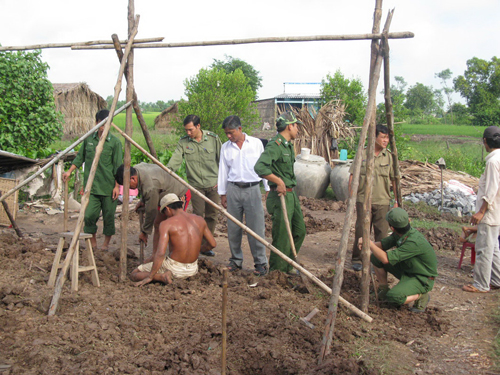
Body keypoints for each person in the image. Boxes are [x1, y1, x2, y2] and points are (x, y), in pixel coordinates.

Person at [62, 109, 123, 251]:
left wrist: (116, 186)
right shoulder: (89, 140)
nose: (104, 127)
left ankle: (105, 245)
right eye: (102, 124)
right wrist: (69, 171)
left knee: (109, 217)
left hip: (108, 188)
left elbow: (118, 167)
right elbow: (79, 158)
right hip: (92, 188)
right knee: (89, 215)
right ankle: (93, 243)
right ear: (96, 123)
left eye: (107, 124)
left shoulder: (115, 143)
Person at [254, 112, 306, 274]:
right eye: (296, 125)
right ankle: (277, 273)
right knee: (282, 236)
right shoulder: (274, 145)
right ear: (289, 126)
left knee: (299, 231)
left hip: (291, 195)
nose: (297, 129)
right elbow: (260, 167)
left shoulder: (288, 145)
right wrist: (278, 181)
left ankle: (289, 264)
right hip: (280, 196)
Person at [218, 115, 270, 276]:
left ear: (240, 129)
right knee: (233, 228)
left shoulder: (256, 144)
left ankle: (261, 263)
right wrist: (223, 193)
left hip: (253, 189)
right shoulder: (226, 147)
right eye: (226, 133)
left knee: (256, 228)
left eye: (231, 132)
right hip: (233, 189)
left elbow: (264, 166)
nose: (229, 136)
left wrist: (267, 188)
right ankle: (235, 261)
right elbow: (223, 171)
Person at [360, 207, 438, 313]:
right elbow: (383, 244)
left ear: (392, 227)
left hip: (422, 278)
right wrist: (367, 243)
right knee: (375, 258)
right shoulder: (400, 234)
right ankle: (383, 288)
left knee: (394, 297)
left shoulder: (413, 242)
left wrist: (370, 245)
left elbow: (386, 259)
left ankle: (421, 295)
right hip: (408, 269)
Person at [131, 194, 216, 286]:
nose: (165, 216)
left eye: (164, 213)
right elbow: (212, 244)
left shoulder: (166, 224)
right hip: (193, 269)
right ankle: (163, 275)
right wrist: (198, 249)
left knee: (135, 273)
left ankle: (161, 277)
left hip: (174, 268)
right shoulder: (199, 220)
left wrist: (150, 276)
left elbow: (160, 253)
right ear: (181, 205)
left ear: (167, 209)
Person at [167, 115, 222, 256]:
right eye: (186, 130)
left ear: (198, 126)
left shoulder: (213, 139)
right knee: (198, 215)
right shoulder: (184, 142)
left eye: (190, 130)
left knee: (212, 215)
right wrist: (167, 171)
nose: (188, 133)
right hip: (196, 186)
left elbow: (222, 161)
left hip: (213, 184)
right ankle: (196, 243)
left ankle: (206, 245)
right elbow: (176, 159)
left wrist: (221, 182)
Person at [349, 124, 398, 271]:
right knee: (361, 230)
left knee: (382, 234)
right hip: (363, 200)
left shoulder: (389, 157)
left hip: (382, 201)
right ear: (374, 137)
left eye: (387, 138)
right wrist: (351, 198)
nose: (386, 140)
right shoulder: (362, 154)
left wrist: (396, 201)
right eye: (383, 137)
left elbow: (395, 180)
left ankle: (378, 261)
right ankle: (358, 259)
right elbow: (353, 177)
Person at [115, 163, 190, 255]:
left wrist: (145, 232)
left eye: (128, 185)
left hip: (179, 193)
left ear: (133, 178)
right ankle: (155, 255)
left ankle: (176, 256)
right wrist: (143, 200)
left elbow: (151, 211)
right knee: (158, 224)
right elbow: (146, 190)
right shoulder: (137, 169)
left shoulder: (150, 187)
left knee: (173, 226)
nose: (128, 188)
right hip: (163, 194)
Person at [463, 126, 500, 293]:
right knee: (493, 248)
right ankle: (497, 279)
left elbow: (491, 189)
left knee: (484, 248)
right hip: (496, 211)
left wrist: (481, 211)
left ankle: (481, 284)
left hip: (490, 212)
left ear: (485, 141)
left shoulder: (493, 161)